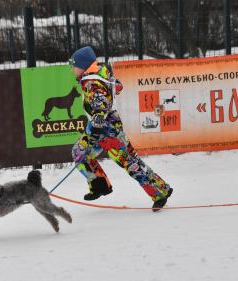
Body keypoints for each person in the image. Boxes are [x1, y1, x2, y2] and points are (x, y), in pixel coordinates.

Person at [69, 46, 173, 212]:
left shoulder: (92, 83)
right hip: (105, 126)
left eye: (74, 65)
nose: (72, 68)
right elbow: (118, 86)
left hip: (106, 130)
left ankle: (160, 192)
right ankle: (99, 185)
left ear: (83, 65)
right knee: (80, 152)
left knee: (129, 162)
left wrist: (96, 123)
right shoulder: (100, 74)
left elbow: (100, 106)